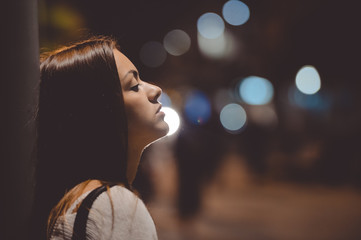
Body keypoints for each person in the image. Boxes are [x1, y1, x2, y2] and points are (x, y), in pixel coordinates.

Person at [29, 36, 169, 240]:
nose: (155, 90)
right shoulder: (114, 208)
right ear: (98, 112)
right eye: (134, 85)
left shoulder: (74, 202)